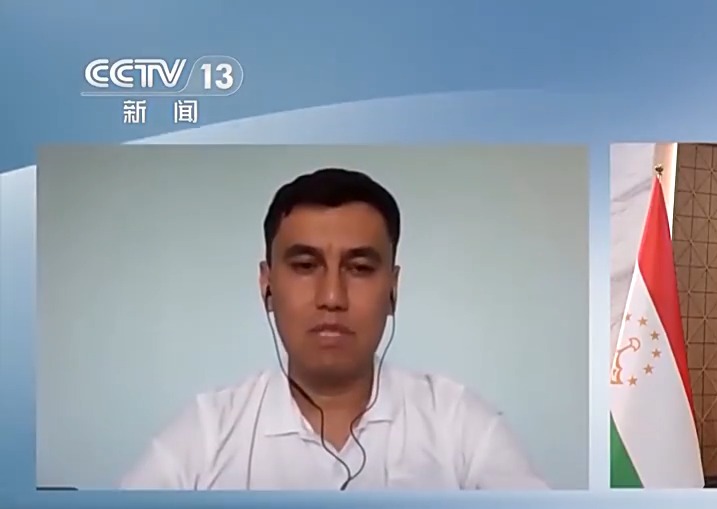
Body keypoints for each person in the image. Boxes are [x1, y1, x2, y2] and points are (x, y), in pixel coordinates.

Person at [120, 168, 548, 491]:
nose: (331, 297)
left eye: (359, 268)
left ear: (392, 289)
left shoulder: (458, 423)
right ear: (267, 286)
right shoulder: (207, 433)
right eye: (305, 266)